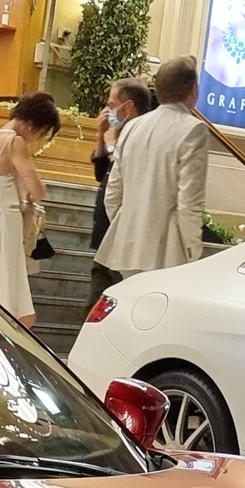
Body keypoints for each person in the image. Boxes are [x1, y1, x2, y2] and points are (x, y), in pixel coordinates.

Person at [99, 56, 207, 281]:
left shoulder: (132, 127)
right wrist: (194, 253)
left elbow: (113, 195)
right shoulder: (193, 130)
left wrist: (126, 227)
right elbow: (189, 203)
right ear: (193, 90)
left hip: (127, 248)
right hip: (168, 252)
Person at [0, 93, 60, 328]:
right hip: (4, 226)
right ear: (31, 123)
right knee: (13, 307)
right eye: (41, 132)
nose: (38, 139)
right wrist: (36, 187)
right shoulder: (15, 142)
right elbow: (37, 190)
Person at [88, 77, 152, 304]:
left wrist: (114, 144)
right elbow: (102, 175)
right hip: (106, 229)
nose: (107, 110)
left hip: (125, 235)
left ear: (129, 106)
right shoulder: (117, 132)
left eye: (112, 105)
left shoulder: (144, 133)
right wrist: (101, 137)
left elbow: (129, 176)